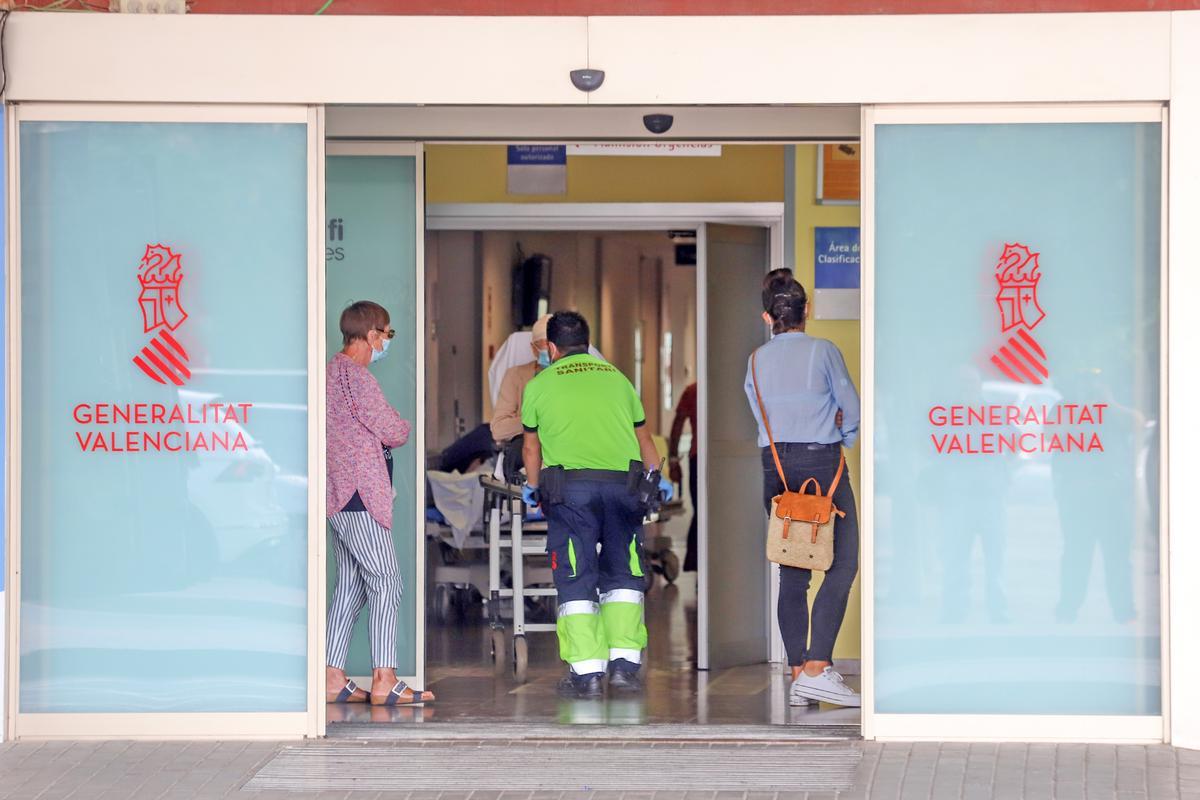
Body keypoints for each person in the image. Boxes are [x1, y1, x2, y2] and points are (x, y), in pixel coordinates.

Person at [520, 311, 672, 698]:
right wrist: (658, 478)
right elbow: (644, 438)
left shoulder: (539, 384)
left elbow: (531, 447)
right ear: (587, 343)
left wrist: (533, 488)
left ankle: (587, 674)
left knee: (576, 575)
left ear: (551, 347)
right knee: (624, 576)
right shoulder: (618, 379)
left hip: (570, 494)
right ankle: (624, 669)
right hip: (623, 490)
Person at [745, 271, 861, 708]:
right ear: (805, 311)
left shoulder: (755, 360)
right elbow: (850, 406)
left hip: (775, 465)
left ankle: (798, 677)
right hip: (820, 463)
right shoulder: (823, 351)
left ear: (767, 317)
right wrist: (843, 433)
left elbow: (759, 412)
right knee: (842, 561)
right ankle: (816, 668)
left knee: (793, 566)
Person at [326, 300, 436, 707]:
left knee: (351, 584)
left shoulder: (330, 373)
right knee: (387, 580)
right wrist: (401, 423)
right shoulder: (357, 378)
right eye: (387, 334)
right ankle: (385, 678)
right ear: (371, 334)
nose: (387, 342)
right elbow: (394, 430)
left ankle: (331, 676)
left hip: (337, 494)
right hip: (359, 494)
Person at [490, 314, 552, 445]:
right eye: (545, 346)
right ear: (533, 349)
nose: (552, 352)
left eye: (554, 346)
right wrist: (538, 419)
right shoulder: (515, 375)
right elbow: (498, 429)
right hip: (526, 444)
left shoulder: (573, 375)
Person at [667, 382, 699, 572]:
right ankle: (699, 563)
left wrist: (673, 460)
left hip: (698, 458)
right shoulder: (694, 391)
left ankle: (696, 564)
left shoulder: (692, 390)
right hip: (704, 458)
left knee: (700, 511)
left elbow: (678, 423)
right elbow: (678, 423)